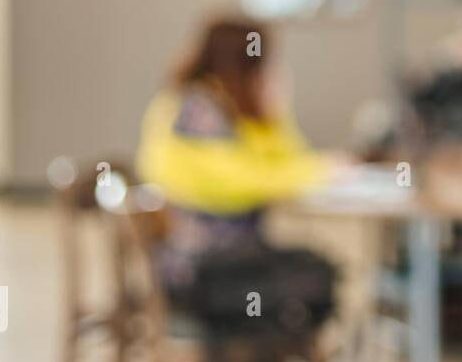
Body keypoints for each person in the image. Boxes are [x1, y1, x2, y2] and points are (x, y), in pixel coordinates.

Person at [137, 16, 331, 301]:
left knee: (316, 268)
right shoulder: (197, 110)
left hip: (228, 260)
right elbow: (238, 182)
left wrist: (277, 114)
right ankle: (260, 344)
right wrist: (321, 173)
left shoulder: (226, 106)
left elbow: (279, 161)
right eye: (263, 62)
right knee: (315, 280)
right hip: (200, 269)